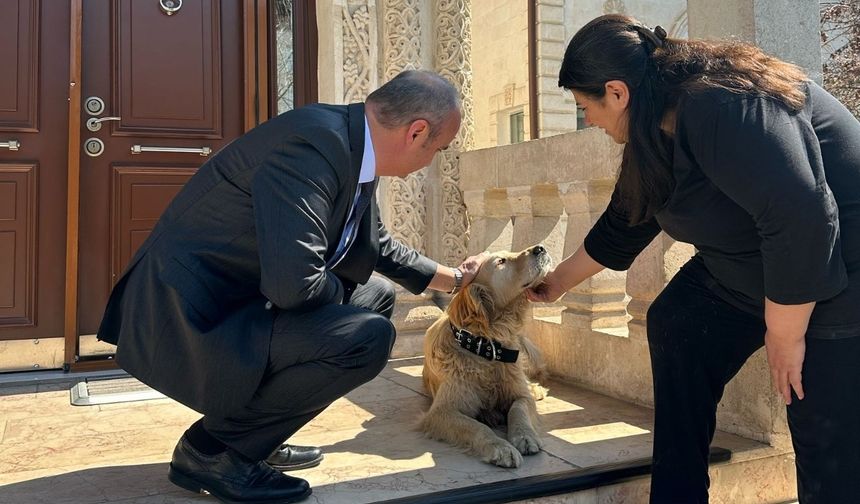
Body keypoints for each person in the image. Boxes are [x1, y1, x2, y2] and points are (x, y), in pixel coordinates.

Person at [97, 69, 487, 504]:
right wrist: (340, 299)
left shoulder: (352, 143)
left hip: (239, 298)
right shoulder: (314, 147)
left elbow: (373, 246)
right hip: (191, 312)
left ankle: (254, 437)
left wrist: (455, 279)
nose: (432, 159)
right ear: (417, 132)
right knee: (366, 336)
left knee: (374, 296)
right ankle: (212, 451)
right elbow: (295, 287)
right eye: (439, 148)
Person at [527, 14, 860, 504]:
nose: (589, 121)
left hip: (837, 273)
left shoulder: (723, 102)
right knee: (679, 323)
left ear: (617, 92)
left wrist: (786, 334)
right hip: (753, 268)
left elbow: (803, 215)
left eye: (585, 107)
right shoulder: (653, 130)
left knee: (819, 427)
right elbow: (625, 224)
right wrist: (554, 284)